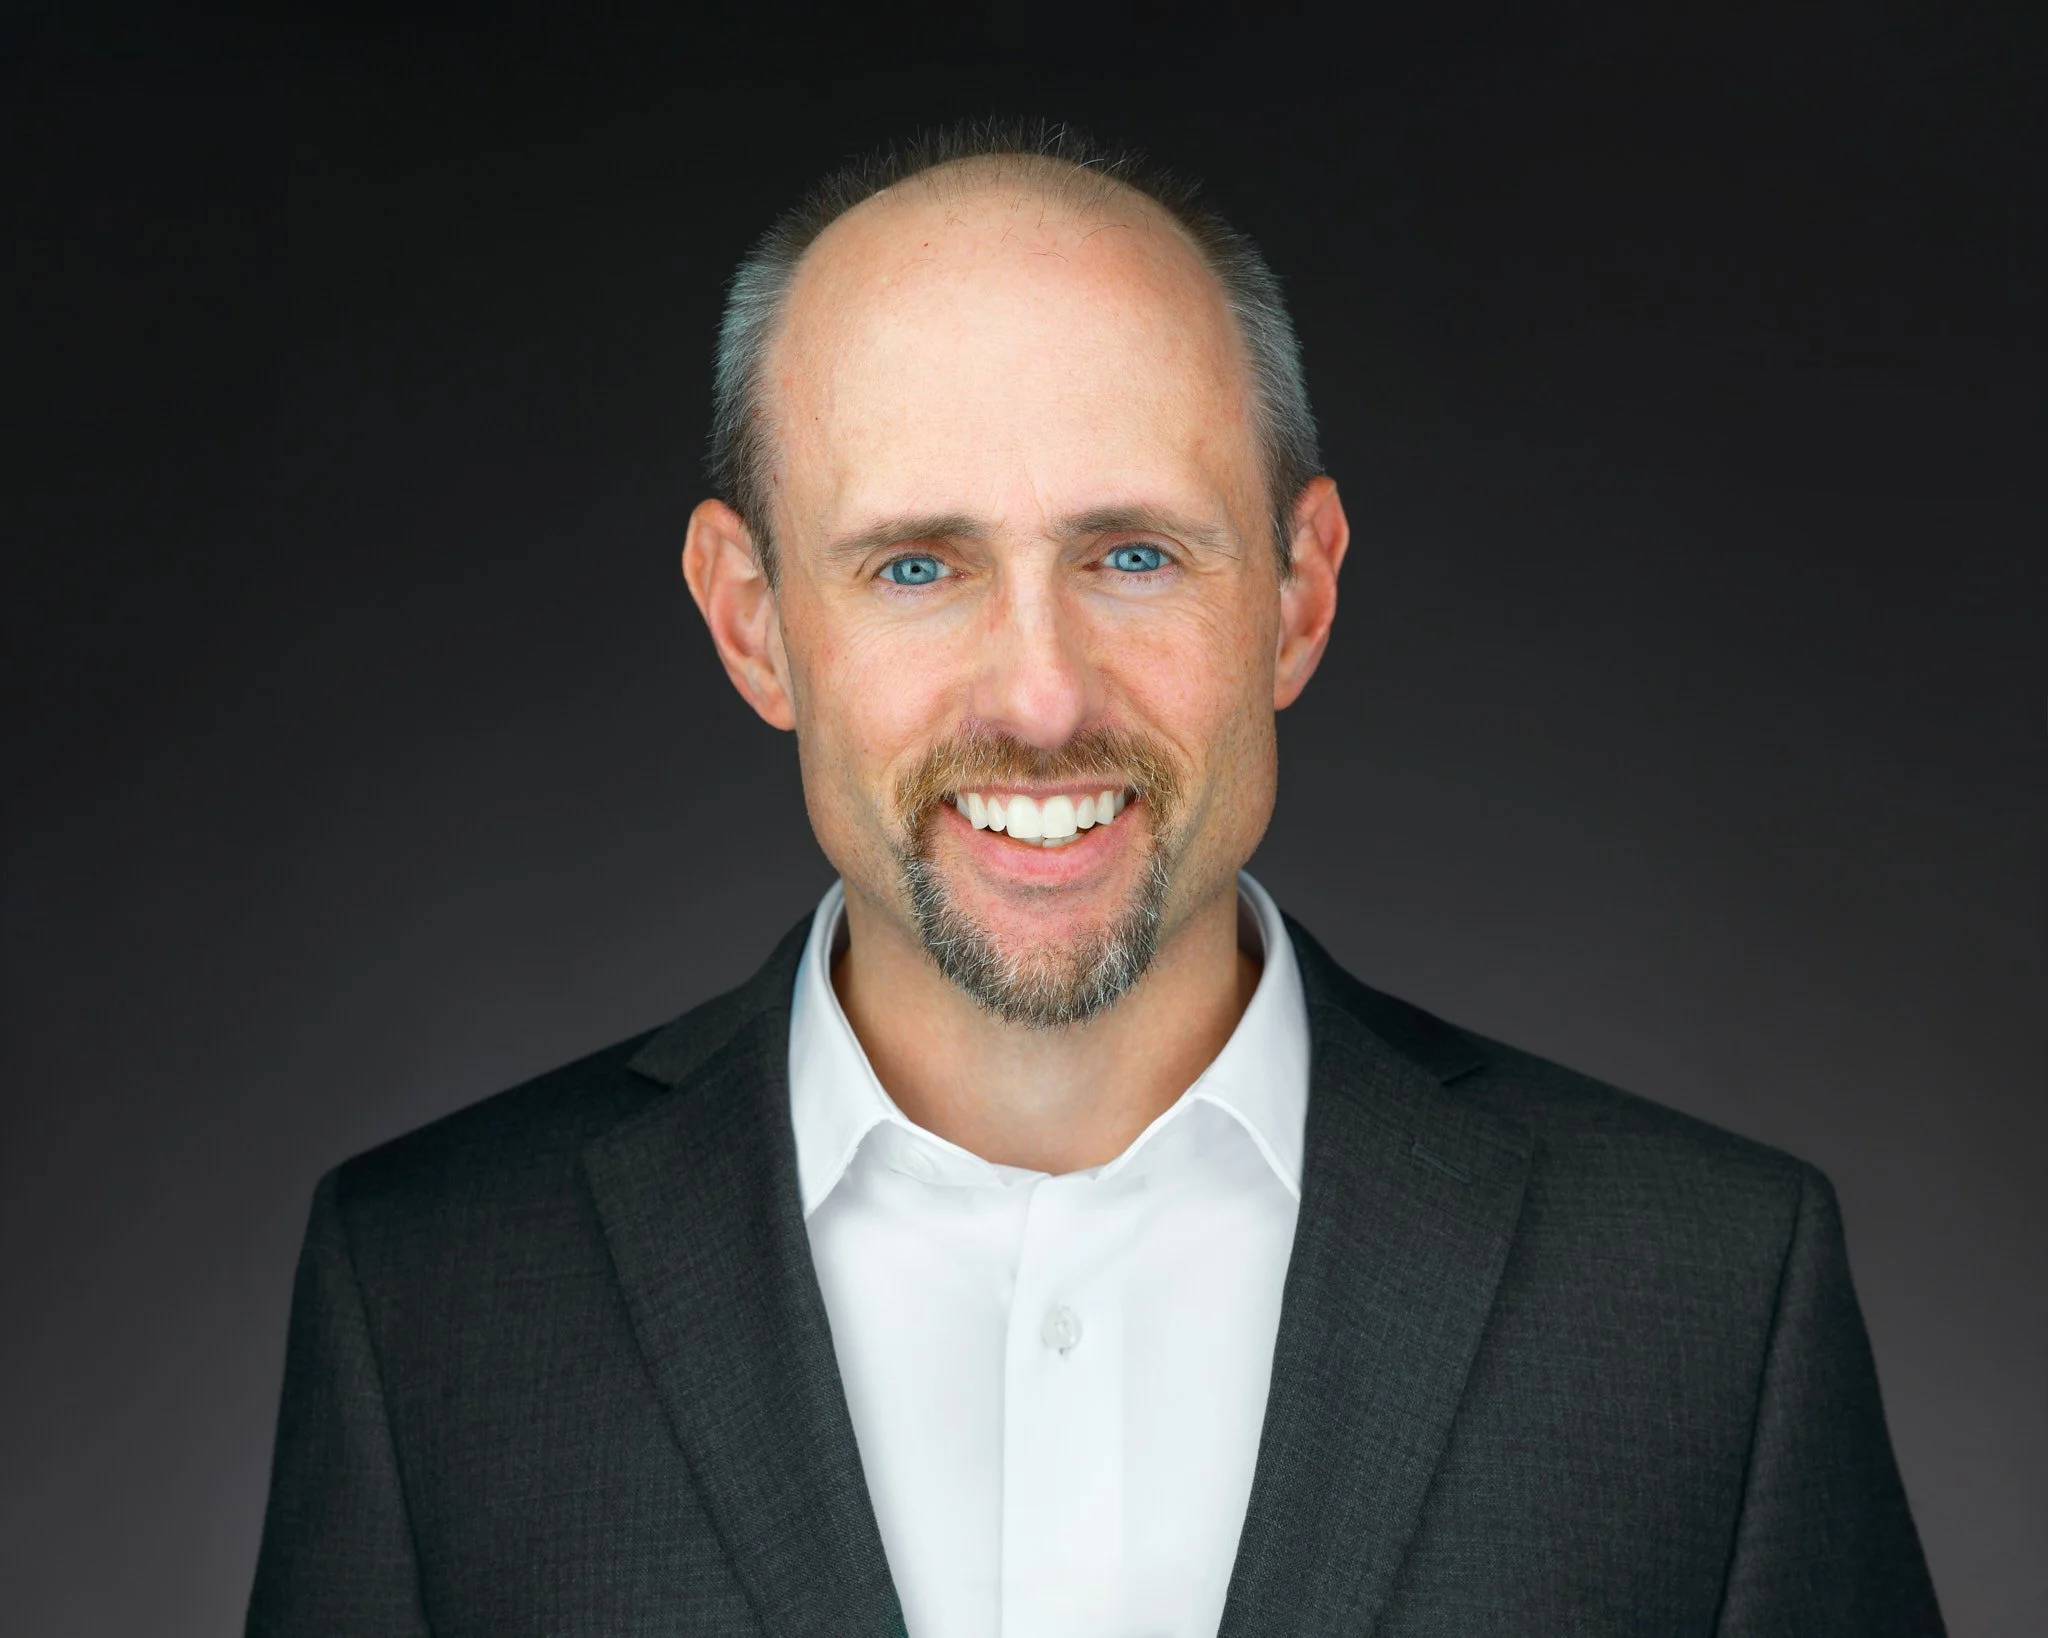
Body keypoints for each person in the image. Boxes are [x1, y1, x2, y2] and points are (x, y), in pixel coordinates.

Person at [246, 123, 1942, 1637]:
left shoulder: (1708, 1295)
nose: (1042, 698)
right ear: (752, 619)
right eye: (919, 563)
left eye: (1132, 554)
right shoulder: (437, 1295)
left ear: (1296, 591)